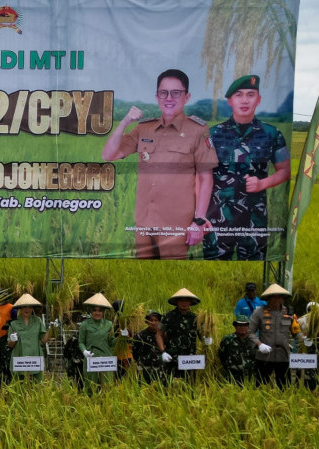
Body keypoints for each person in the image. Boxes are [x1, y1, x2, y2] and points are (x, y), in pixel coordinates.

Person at [102, 69, 218, 259]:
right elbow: (108, 154)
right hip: (144, 223)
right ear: (157, 96)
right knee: (143, 276)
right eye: (163, 93)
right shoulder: (144, 129)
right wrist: (125, 121)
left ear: (186, 97)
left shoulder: (197, 130)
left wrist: (198, 221)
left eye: (176, 93)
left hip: (176, 227)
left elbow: (205, 179)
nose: (169, 98)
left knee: (171, 279)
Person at [203, 75, 291, 260]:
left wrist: (262, 183)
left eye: (250, 94)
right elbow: (201, 176)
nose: (244, 100)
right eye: (238, 95)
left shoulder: (272, 134)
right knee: (214, 265)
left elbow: (285, 170)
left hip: (254, 218)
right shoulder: (213, 134)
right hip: (218, 217)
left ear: (258, 100)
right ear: (230, 100)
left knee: (253, 265)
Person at [249, 284, 302, 389]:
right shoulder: (259, 312)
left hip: (283, 356)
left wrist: (304, 339)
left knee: (283, 386)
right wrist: (259, 345)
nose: (277, 299)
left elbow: (296, 332)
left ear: (282, 298)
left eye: (279, 296)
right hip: (265, 356)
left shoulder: (289, 313)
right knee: (261, 385)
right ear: (268, 298)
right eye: (274, 297)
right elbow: (250, 332)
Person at [160, 288, 212, 378]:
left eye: (186, 300)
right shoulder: (167, 317)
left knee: (190, 382)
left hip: (190, 358)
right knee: (171, 383)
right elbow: (158, 334)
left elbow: (201, 335)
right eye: (181, 300)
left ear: (190, 302)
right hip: (172, 357)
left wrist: (206, 339)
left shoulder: (196, 319)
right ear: (177, 302)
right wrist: (163, 352)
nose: (184, 303)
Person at [78, 293, 117, 392]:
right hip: (91, 358)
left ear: (103, 312)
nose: (97, 313)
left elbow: (111, 342)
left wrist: (122, 337)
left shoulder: (109, 324)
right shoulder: (85, 324)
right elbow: (81, 342)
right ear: (91, 311)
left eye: (100, 311)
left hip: (106, 359)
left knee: (107, 388)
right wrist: (84, 351)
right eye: (94, 310)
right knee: (91, 387)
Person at [7, 293, 49, 382]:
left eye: (30, 307)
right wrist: (13, 339)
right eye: (24, 307)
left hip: (35, 358)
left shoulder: (38, 321)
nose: (27, 309)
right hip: (20, 359)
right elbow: (10, 345)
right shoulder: (14, 324)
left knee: (36, 386)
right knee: (20, 386)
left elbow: (44, 340)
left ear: (32, 308)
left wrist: (52, 329)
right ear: (20, 308)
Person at [218, 315, 257, 385]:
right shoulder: (227, 340)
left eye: (245, 325)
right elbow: (222, 356)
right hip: (232, 378)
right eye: (240, 325)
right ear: (235, 326)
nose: (242, 328)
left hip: (251, 379)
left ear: (248, 327)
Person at [132, 310, 167, 384]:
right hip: (144, 366)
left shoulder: (163, 335)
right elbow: (134, 351)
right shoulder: (139, 335)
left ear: (159, 322)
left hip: (159, 367)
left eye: (156, 320)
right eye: (151, 320)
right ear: (147, 322)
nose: (153, 322)